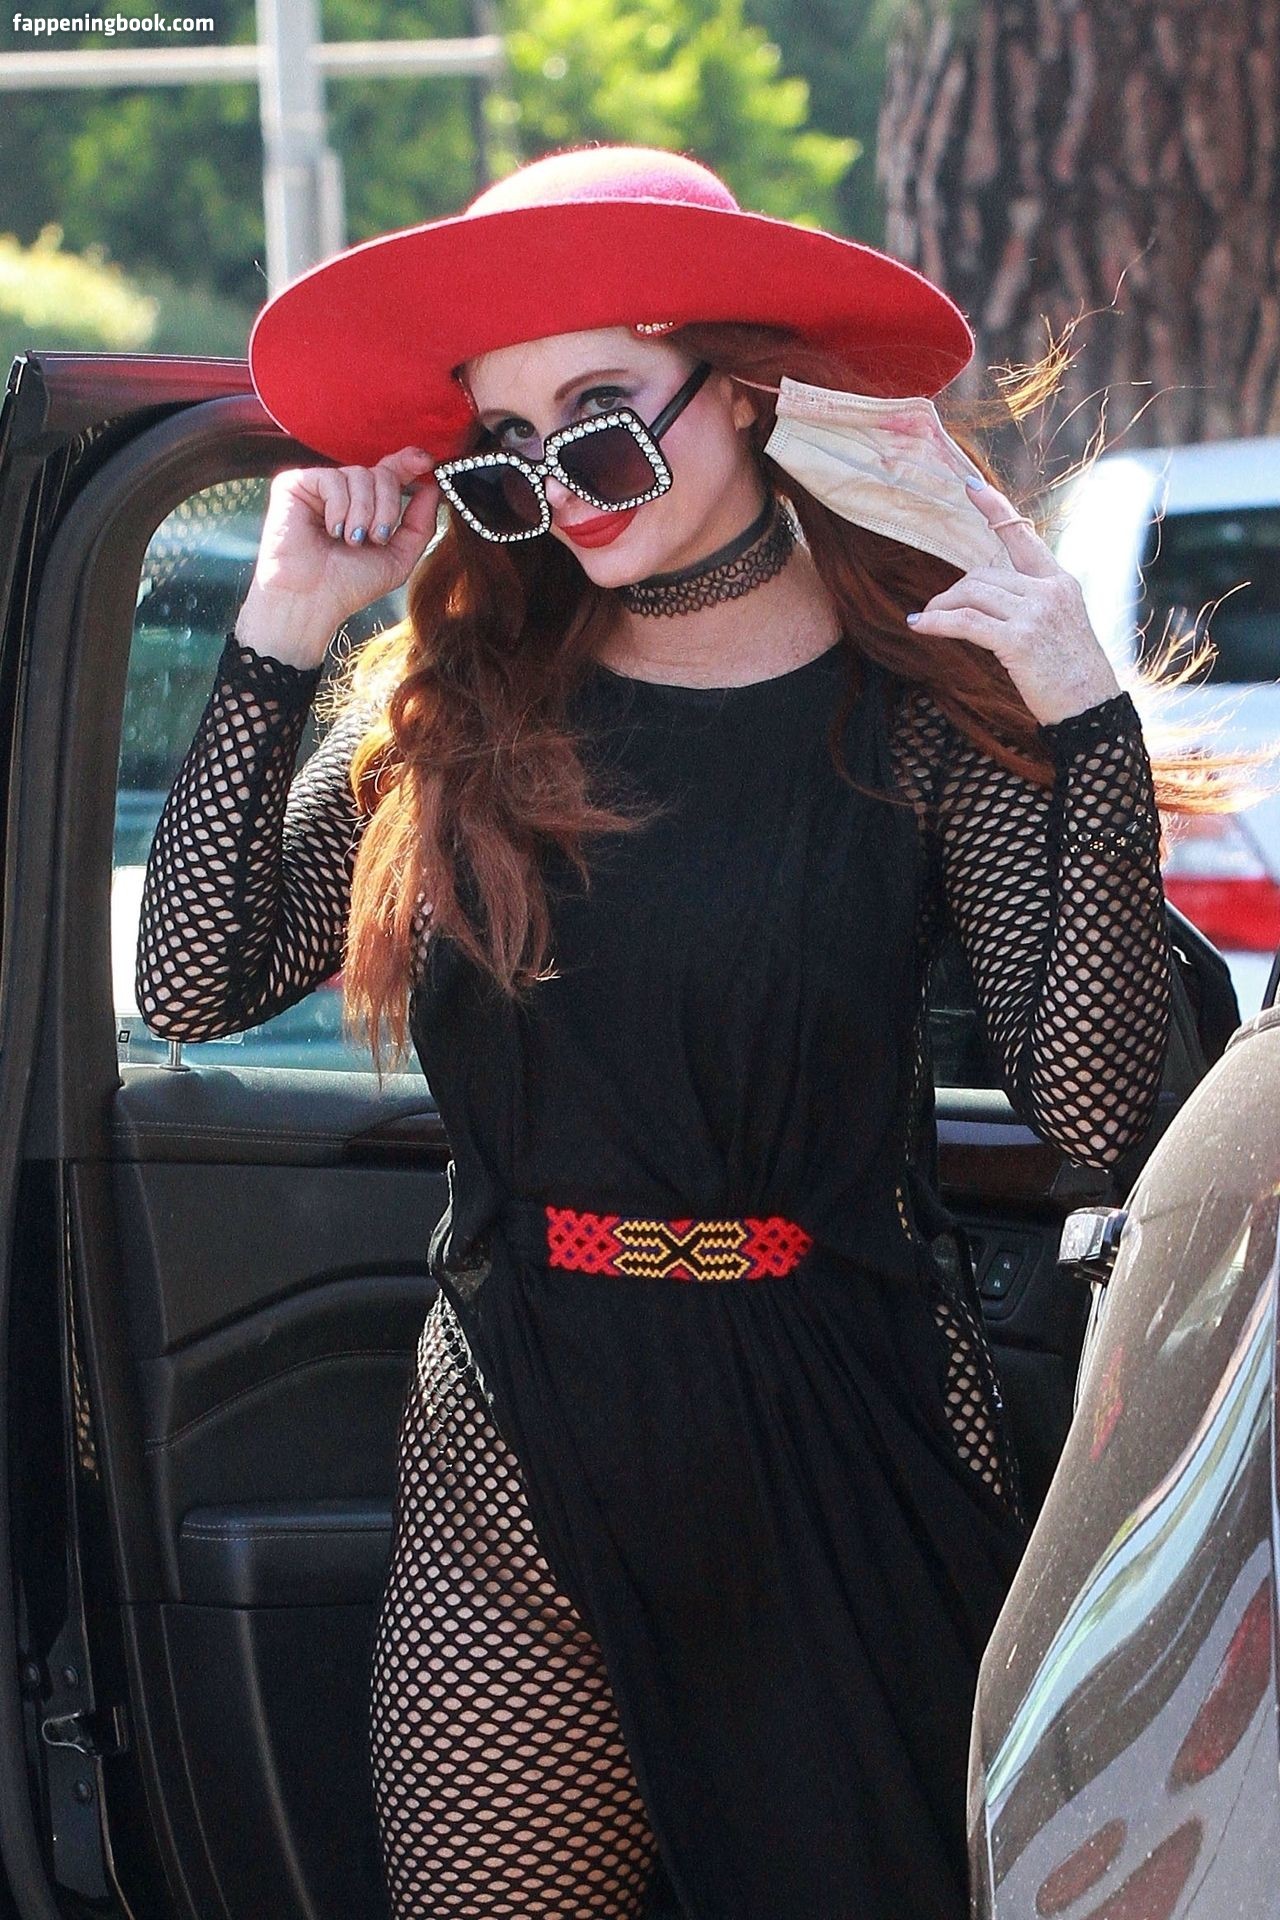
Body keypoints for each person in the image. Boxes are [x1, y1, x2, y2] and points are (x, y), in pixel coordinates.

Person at [135, 146, 1176, 1920]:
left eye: (601, 418)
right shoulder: (463, 702)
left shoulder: (927, 709)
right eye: (507, 447)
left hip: (844, 1402)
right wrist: (286, 624)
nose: (560, 483)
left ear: (747, 388)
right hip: (513, 1412)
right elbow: (194, 981)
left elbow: (1093, 1103)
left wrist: (1084, 710)